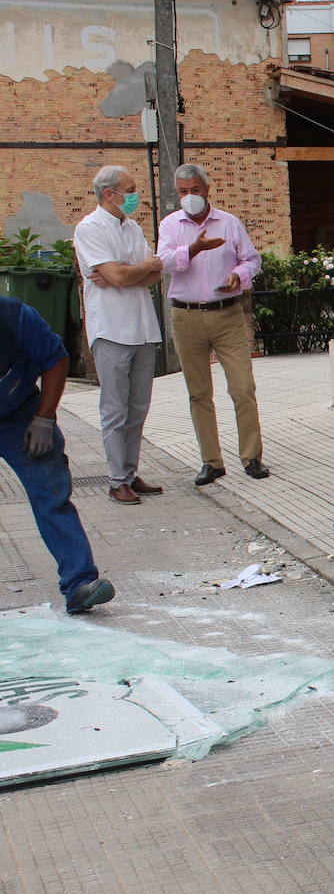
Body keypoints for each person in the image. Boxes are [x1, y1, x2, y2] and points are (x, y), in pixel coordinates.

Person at [0, 295, 116, 614]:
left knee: (51, 494)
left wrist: (44, 417)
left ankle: (79, 584)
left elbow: (55, 359)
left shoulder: (15, 316)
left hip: (19, 414)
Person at [155, 163, 268, 486]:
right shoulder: (171, 225)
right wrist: (193, 248)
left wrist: (239, 275)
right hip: (186, 314)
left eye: (195, 190)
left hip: (227, 313)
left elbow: (252, 259)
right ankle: (211, 461)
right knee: (199, 392)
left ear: (207, 190)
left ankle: (251, 456)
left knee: (243, 387)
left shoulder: (229, 224)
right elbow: (162, 261)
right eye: (183, 192)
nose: (189, 197)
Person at [72, 165, 165, 505]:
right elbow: (120, 275)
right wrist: (130, 272)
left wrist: (128, 273)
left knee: (138, 407)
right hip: (111, 328)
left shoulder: (132, 228)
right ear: (109, 194)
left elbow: (153, 273)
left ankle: (129, 470)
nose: (134, 195)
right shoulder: (90, 228)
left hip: (141, 328)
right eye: (130, 189)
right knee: (115, 408)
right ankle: (116, 479)